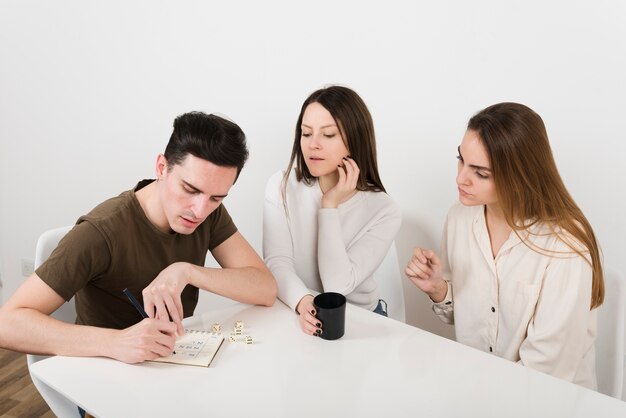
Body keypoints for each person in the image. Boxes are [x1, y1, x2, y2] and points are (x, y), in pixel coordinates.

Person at [0, 112, 277, 364]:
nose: (200, 210)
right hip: (103, 373)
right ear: (161, 167)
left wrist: (188, 271)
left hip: (170, 368)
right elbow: (7, 324)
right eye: (189, 189)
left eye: (217, 198)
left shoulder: (207, 212)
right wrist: (115, 342)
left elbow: (264, 288)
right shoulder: (99, 232)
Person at [405, 102, 603, 389]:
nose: (461, 178)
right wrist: (438, 289)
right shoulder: (460, 217)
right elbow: (475, 319)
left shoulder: (565, 246)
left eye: (481, 173)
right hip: (480, 389)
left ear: (521, 175)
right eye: (461, 160)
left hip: (548, 400)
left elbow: (546, 372)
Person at [263, 85, 401, 336]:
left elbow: (337, 285)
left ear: (355, 139)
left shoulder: (384, 210)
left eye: (328, 135)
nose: (313, 145)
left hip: (361, 323)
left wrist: (330, 205)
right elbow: (277, 262)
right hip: (300, 313)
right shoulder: (281, 186)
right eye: (306, 133)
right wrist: (304, 303)